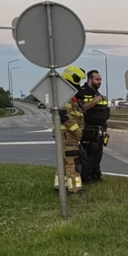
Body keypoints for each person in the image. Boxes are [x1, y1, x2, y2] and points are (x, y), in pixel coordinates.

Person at [55, 66, 86, 194]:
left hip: (66, 135)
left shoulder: (66, 95)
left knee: (63, 162)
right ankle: (74, 189)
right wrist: (78, 132)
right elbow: (65, 116)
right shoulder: (66, 97)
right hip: (68, 135)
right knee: (72, 162)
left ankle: (59, 186)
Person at [79, 70, 110, 184]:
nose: (99, 82)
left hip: (100, 130)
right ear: (90, 79)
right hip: (88, 130)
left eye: (100, 79)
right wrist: (96, 101)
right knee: (88, 156)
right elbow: (82, 107)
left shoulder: (98, 94)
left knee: (98, 155)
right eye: (97, 79)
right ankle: (86, 178)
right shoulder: (82, 92)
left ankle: (96, 176)